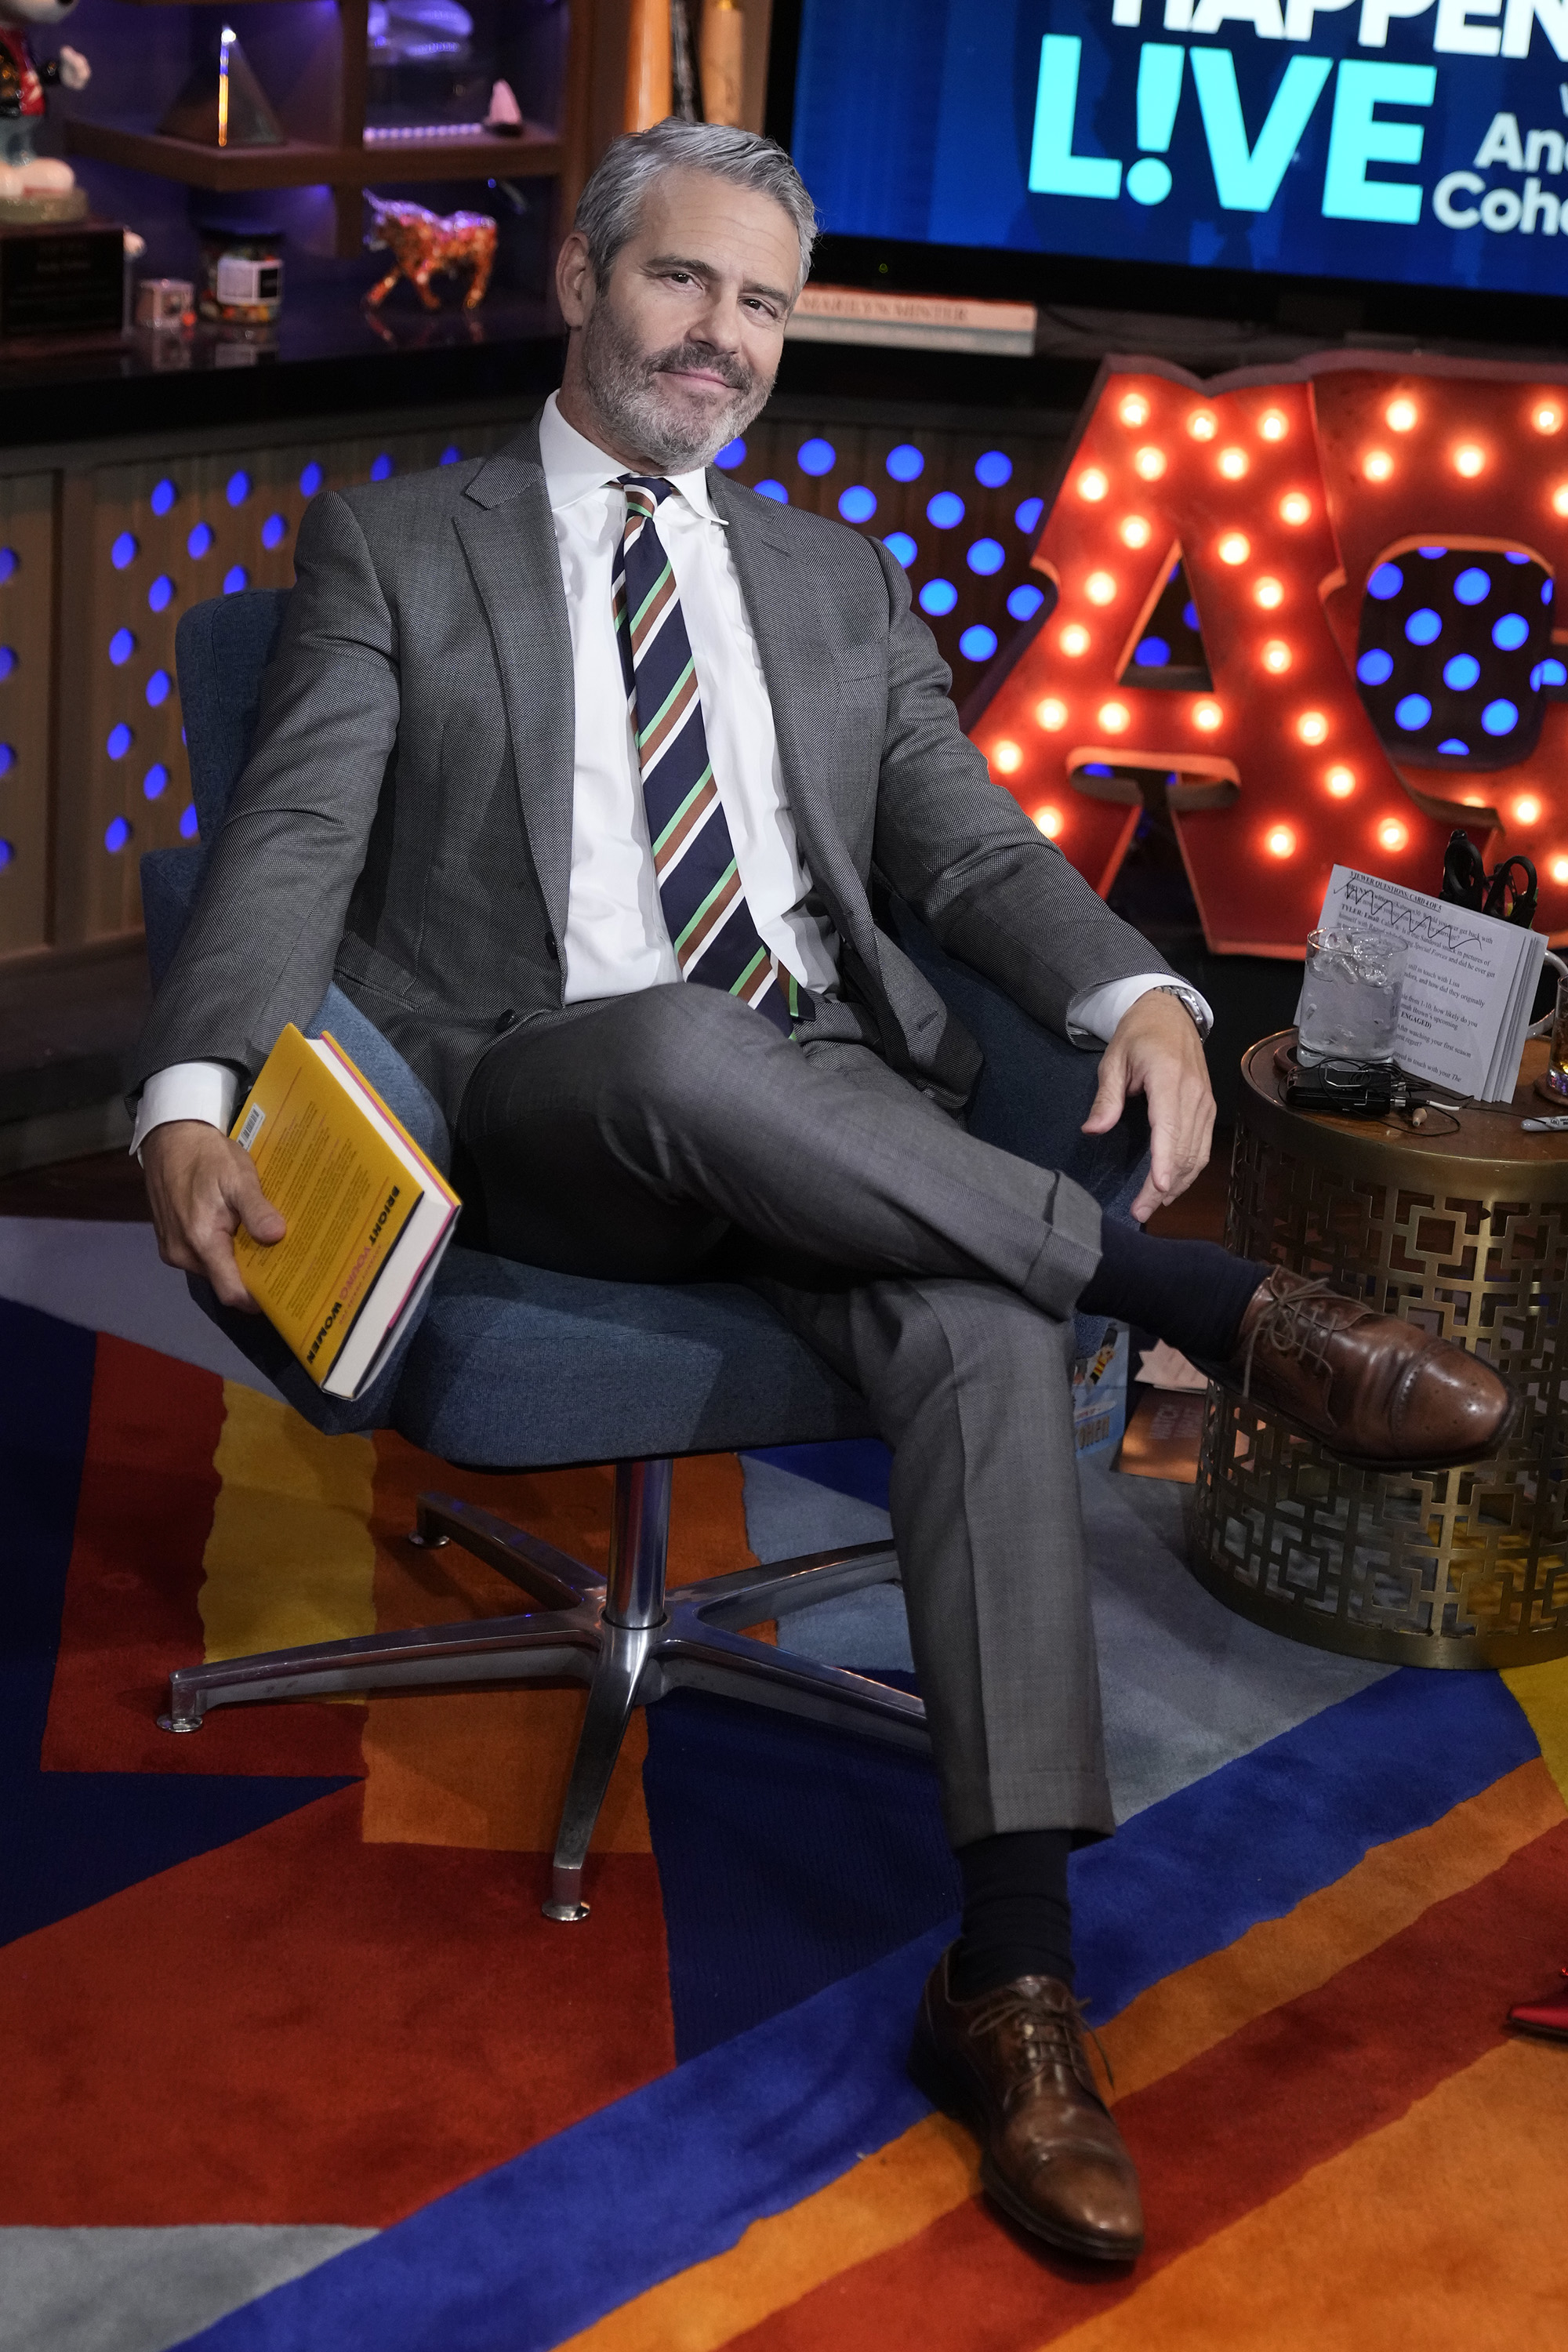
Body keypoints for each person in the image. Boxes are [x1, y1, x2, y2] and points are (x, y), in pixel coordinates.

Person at [131, 121, 1514, 2268]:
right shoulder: (399, 544)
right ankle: (1202, 1303)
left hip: (836, 1107)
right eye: (683, 282)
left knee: (975, 1320)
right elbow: (293, 839)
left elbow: (962, 846)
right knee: (682, 1042)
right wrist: (193, 1090)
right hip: (563, 1103)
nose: (725, 338)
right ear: (582, 282)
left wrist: (1140, 990)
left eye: (765, 303)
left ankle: (1015, 1985)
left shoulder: (833, 578)